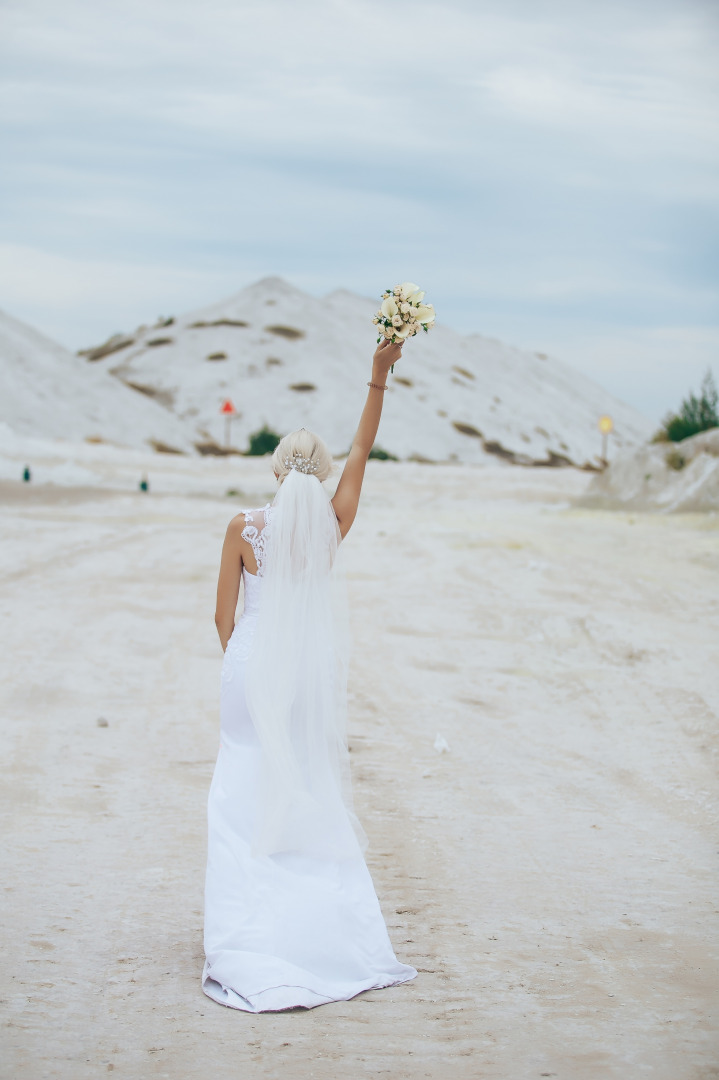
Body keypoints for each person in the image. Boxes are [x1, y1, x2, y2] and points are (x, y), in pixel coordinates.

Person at [203, 337, 417, 1012]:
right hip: (301, 673)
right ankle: (315, 924)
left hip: (249, 667)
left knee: (238, 786)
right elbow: (362, 450)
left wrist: (244, 664)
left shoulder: (243, 526)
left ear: (274, 473)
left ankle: (242, 928)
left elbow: (221, 619)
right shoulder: (332, 521)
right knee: (304, 782)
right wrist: (376, 377)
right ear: (320, 475)